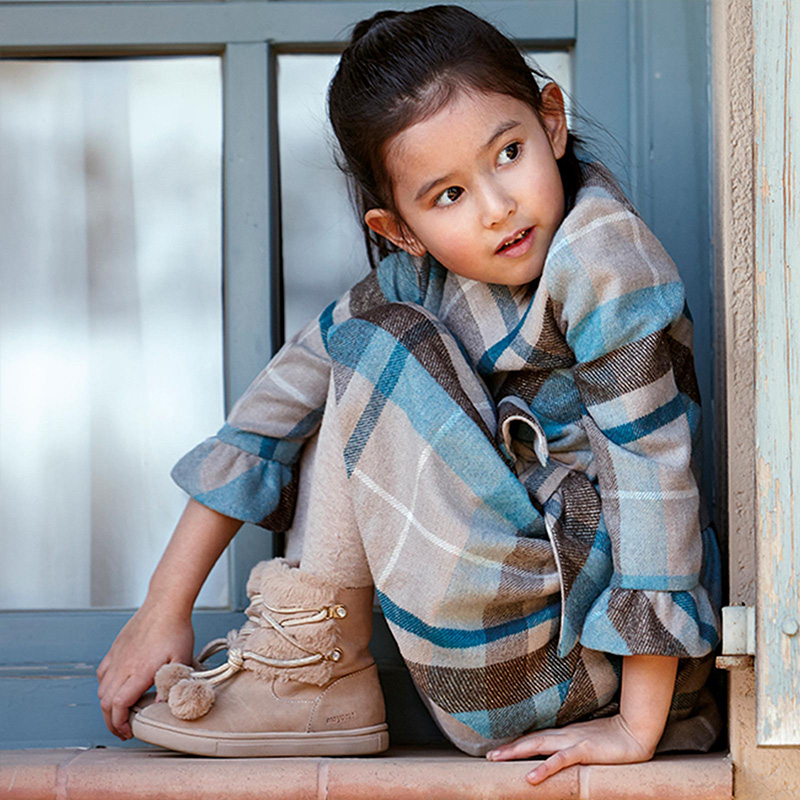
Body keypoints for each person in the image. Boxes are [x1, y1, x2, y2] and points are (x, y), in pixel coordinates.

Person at [96, 5, 722, 785]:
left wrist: (636, 727)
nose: (498, 206)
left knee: (377, 347)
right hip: (496, 664)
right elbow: (276, 403)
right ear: (402, 230)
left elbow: (652, 477)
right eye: (449, 195)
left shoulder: (603, 256)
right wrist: (164, 607)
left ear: (551, 121)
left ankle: (316, 670)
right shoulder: (421, 279)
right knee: (348, 360)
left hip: (591, 667)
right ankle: (314, 664)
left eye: (509, 152)